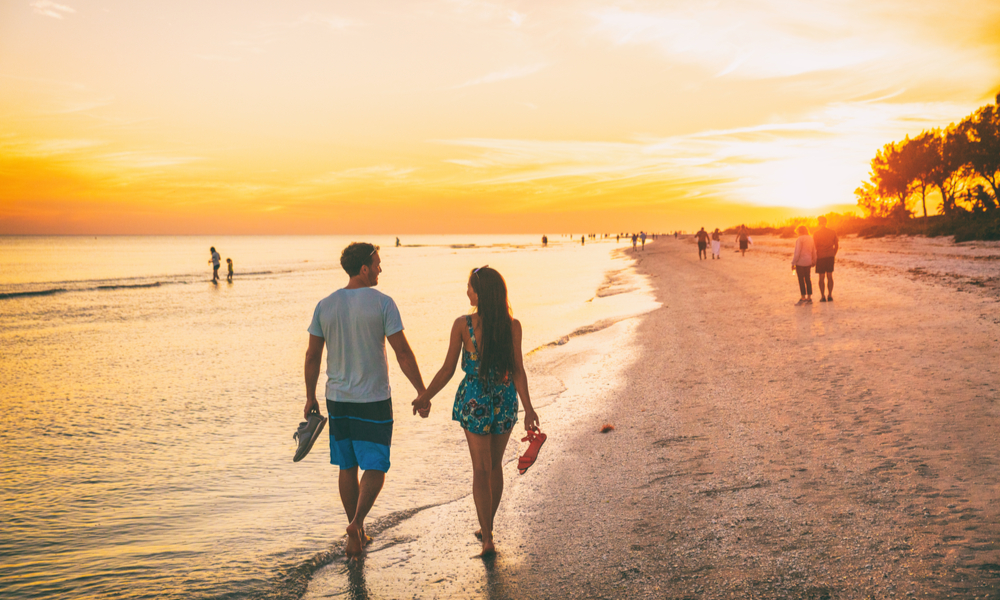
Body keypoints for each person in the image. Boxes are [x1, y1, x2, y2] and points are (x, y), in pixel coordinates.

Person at [303, 242, 427, 559]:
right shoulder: (383, 303)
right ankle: (357, 523)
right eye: (377, 263)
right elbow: (402, 352)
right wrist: (421, 390)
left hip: (337, 399)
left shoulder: (325, 305)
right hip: (372, 398)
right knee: (375, 466)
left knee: (347, 466)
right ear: (364, 269)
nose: (380, 269)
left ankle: (355, 532)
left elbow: (312, 355)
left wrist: (309, 397)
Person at [413, 266, 539, 557]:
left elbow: (447, 369)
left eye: (469, 287)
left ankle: (488, 539)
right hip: (505, 398)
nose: (466, 291)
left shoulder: (462, 324)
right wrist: (529, 408)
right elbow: (518, 370)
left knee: (481, 470)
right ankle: (488, 528)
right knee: (494, 467)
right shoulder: (512, 325)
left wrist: (425, 396)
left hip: (475, 401)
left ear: (480, 293)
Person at [813, 216, 840, 302]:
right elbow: (836, 245)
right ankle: (830, 295)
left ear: (819, 223)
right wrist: (833, 254)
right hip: (830, 256)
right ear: (826, 222)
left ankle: (822, 296)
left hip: (820, 257)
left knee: (821, 277)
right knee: (829, 276)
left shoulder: (816, 233)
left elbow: (814, 247)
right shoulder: (832, 232)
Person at [791, 226, 816, 305]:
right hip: (808, 261)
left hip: (800, 262)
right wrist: (814, 261)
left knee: (801, 280)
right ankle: (809, 298)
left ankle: (803, 297)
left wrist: (793, 263)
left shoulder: (800, 239)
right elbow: (814, 251)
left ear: (800, 231)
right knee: (808, 279)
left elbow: (797, 252)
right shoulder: (811, 238)